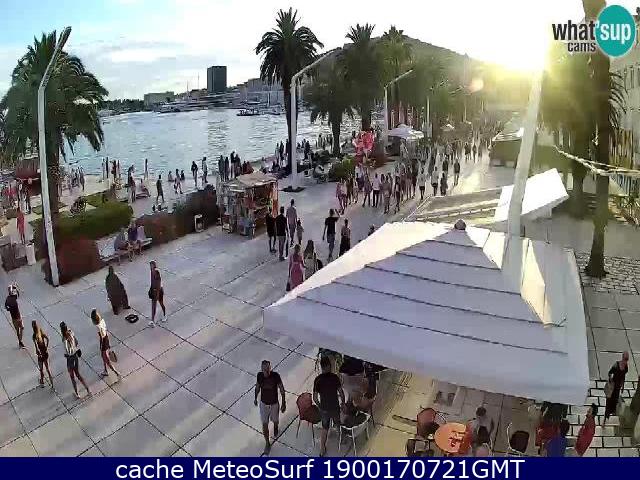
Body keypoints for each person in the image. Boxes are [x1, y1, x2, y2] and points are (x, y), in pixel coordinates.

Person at [313, 356, 345, 457]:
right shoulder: (334, 378)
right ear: (329, 366)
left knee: (325, 428)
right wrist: (343, 403)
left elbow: (315, 398)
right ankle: (341, 438)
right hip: (334, 407)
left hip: (324, 409)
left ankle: (322, 449)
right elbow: (341, 392)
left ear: (321, 367)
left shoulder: (317, 380)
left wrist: (320, 406)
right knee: (337, 423)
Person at [254, 360, 286, 455]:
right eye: (264, 370)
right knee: (264, 424)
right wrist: (255, 398)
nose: (266, 371)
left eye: (268, 369)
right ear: (262, 369)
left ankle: (276, 427)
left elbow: (282, 389)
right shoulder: (259, 376)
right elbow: (257, 387)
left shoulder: (275, 376)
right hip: (264, 404)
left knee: (275, 420)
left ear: (270, 368)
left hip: (274, 404)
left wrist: (283, 402)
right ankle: (267, 443)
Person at [60, 321, 91, 398]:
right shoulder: (71, 332)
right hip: (75, 356)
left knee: (72, 377)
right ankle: (87, 389)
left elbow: (67, 351)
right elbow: (76, 342)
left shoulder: (64, 339)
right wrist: (74, 347)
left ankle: (77, 393)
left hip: (70, 359)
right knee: (78, 374)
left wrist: (66, 355)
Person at [90, 309, 120, 379]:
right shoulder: (102, 321)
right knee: (103, 357)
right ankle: (105, 370)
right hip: (106, 339)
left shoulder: (97, 327)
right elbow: (105, 332)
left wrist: (101, 347)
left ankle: (117, 373)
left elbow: (101, 337)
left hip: (103, 343)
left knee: (107, 360)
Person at [604, 351, 629, 424]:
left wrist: (623, 386)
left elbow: (623, 377)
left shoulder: (626, 367)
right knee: (608, 402)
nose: (626, 361)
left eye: (627, 359)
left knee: (614, 402)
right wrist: (611, 379)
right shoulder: (616, 365)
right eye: (625, 358)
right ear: (622, 357)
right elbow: (610, 372)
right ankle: (605, 418)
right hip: (612, 387)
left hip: (617, 388)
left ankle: (612, 412)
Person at [32, 321, 53, 388]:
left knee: (41, 370)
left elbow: (36, 347)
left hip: (40, 355)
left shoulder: (34, 336)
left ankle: (42, 382)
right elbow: (48, 339)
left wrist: (37, 351)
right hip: (45, 353)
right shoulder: (41, 333)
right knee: (48, 369)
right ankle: (52, 384)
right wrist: (46, 346)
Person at [148, 261, 166, 327]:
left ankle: (165, 315)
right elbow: (152, 282)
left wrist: (157, 293)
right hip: (153, 290)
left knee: (161, 303)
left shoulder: (156, 272)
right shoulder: (151, 271)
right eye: (150, 265)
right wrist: (151, 289)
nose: (151, 266)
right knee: (153, 306)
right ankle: (152, 320)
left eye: (152, 265)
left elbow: (159, 283)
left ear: (154, 265)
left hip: (159, 291)